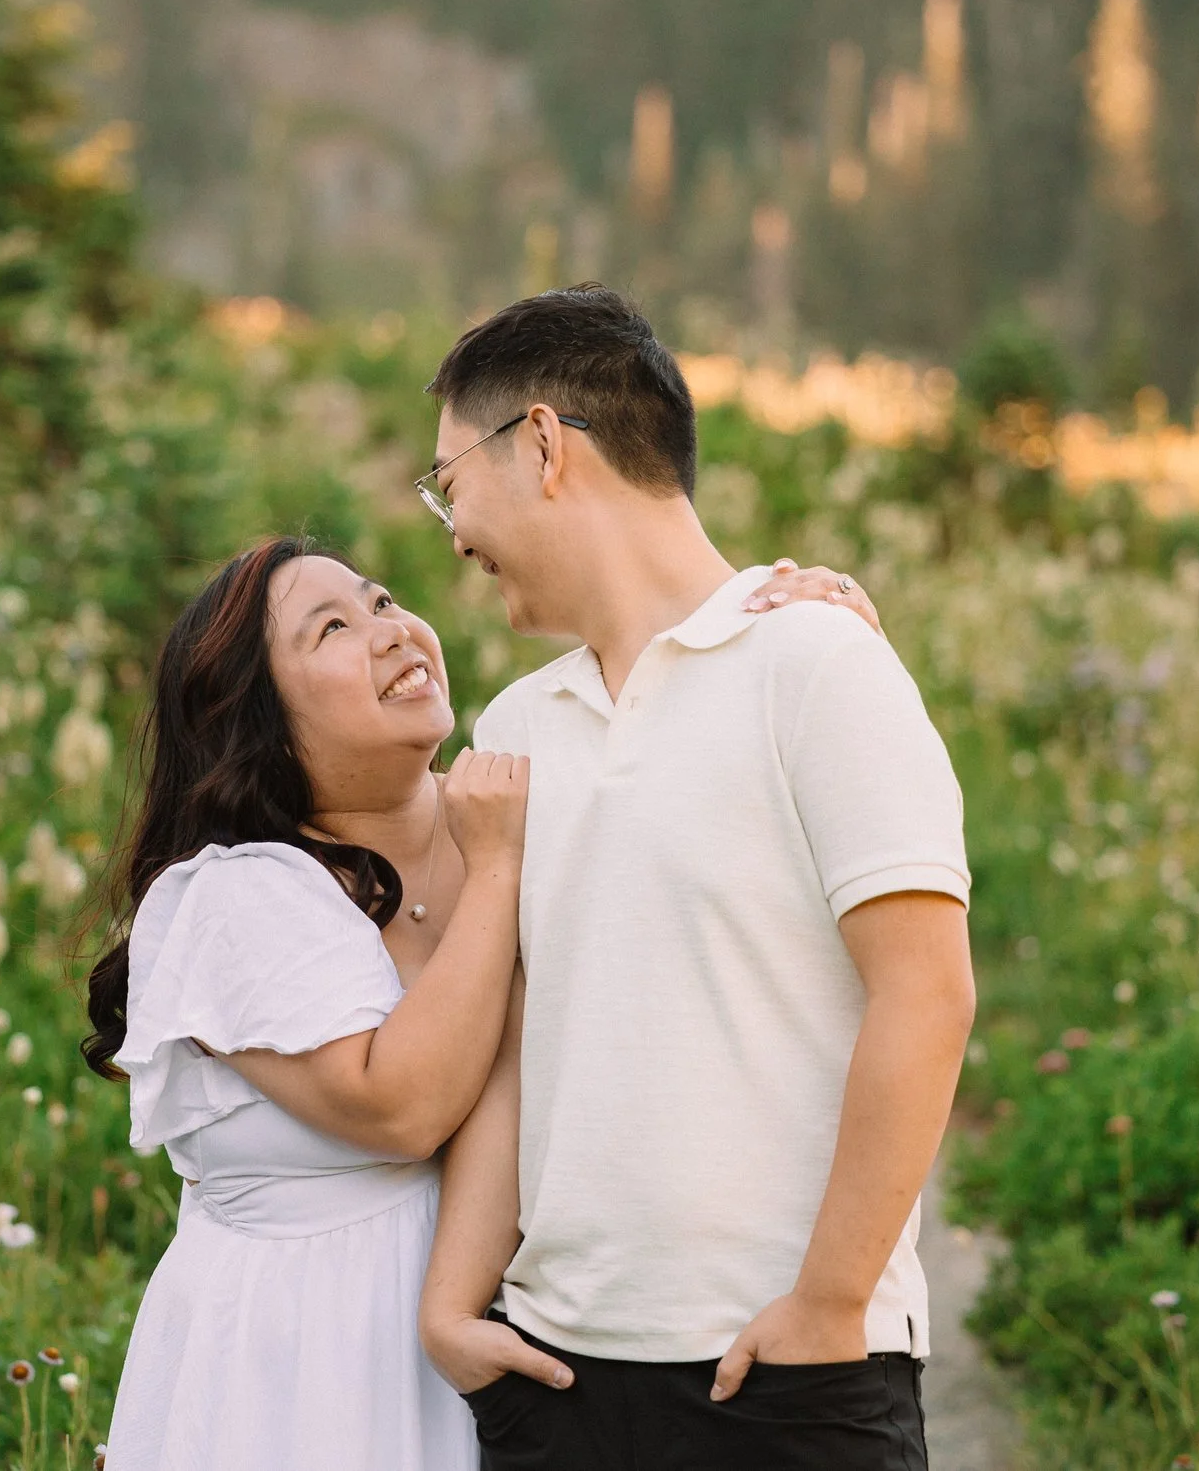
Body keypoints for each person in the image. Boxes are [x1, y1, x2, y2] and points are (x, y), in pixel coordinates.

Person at [83, 534, 882, 1471]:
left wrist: (789, 628)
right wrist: (497, 869)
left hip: (517, 1355)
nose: (389, 629)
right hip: (297, 1367)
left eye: (381, 600)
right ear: (255, 721)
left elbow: (687, 777)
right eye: (331, 628)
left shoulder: (514, 804)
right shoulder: (235, 896)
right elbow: (400, 1107)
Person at [416, 284, 978, 1471]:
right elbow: (521, 1040)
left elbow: (926, 992)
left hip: (789, 1371)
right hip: (555, 1378)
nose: (450, 530)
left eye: (448, 482)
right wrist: (453, 1307)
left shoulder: (817, 663)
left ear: (543, 444)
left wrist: (828, 1302)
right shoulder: (513, 731)